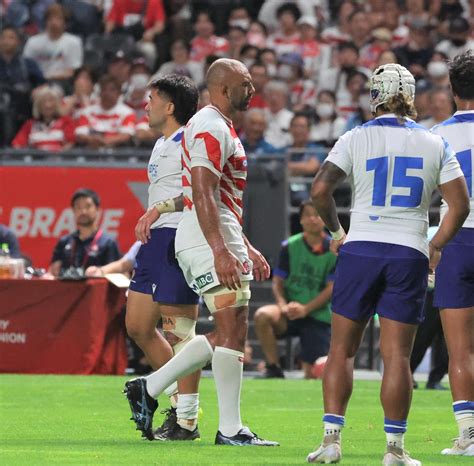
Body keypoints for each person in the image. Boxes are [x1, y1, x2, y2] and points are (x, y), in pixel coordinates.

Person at [307, 63, 469, 465]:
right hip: (408, 252)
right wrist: (438, 244)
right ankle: (394, 449)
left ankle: (331, 442)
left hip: (360, 248)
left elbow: (321, 189)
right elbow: (460, 204)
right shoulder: (432, 141)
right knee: (396, 356)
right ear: (411, 96)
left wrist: (337, 233)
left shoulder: (354, 136)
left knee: (341, 349)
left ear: (373, 95)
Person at [124, 58, 278, 447]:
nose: (252, 90)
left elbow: (208, 193)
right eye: (246, 83)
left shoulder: (212, 126)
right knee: (227, 329)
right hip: (207, 239)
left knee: (232, 329)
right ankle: (164, 393)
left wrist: (242, 244)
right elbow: (204, 192)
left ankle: (222, 424)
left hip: (212, 234)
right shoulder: (210, 125)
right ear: (224, 88)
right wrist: (221, 249)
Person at [122, 75, 204, 442]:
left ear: (170, 107)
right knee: (138, 325)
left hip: (179, 237)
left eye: (151, 98)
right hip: (155, 241)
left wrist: (157, 212)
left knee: (180, 332)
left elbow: (202, 193)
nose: (146, 104)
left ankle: (187, 420)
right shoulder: (159, 144)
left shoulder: (190, 141)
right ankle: (171, 397)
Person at [430, 50, 474, 457]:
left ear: (452, 91)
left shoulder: (437, 135)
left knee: (461, 349)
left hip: (457, 240)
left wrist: (433, 245)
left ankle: (468, 434)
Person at [254, 200, 336, 379]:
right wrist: (283, 306)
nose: (313, 219)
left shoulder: (334, 249)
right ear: (301, 220)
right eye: (308, 215)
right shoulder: (289, 246)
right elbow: (277, 282)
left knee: (313, 372)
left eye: (317, 214)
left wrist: (306, 309)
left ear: (325, 219)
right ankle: (273, 367)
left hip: (317, 314)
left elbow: (331, 289)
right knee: (262, 315)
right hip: (290, 311)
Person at [48, 189, 121, 277]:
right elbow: (53, 272)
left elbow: (116, 275)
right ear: (73, 211)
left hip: (96, 290)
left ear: (97, 209)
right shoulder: (64, 241)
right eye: (78, 207)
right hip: (66, 289)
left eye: (88, 206)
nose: (83, 211)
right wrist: (53, 273)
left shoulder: (108, 242)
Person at [23, 3, 83, 82]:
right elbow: (26, 66)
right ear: (46, 22)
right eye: (50, 19)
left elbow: (72, 71)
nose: (54, 22)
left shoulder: (74, 42)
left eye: (58, 19)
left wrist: (48, 76)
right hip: (36, 81)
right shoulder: (33, 42)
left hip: (63, 82)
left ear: (65, 23)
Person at [12, 85, 75, 151]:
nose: (47, 105)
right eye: (44, 101)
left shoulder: (66, 121)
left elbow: (71, 143)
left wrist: (59, 153)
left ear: (56, 104)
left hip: (59, 159)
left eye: (51, 101)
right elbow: (17, 145)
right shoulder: (30, 124)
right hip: (36, 160)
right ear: (38, 105)